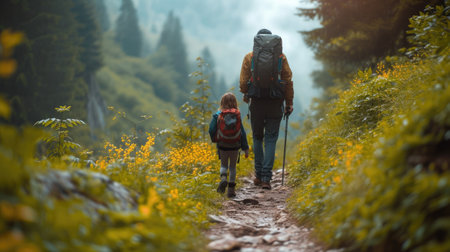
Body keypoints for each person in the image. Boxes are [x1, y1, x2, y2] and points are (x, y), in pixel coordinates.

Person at [239, 29, 294, 190]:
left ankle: (258, 174)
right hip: (275, 102)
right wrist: (289, 102)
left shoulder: (250, 57)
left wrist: (246, 94)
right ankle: (266, 178)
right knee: (270, 139)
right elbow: (288, 80)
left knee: (257, 137)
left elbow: (243, 82)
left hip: (256, 102)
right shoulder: (280, 57)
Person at [209, 92, 249, 198]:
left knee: (223, 165)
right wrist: (245, 148)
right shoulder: (237, 115)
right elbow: (242, 133)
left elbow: (211, 129)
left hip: (222, 144)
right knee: (232, 167)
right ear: (235, 103)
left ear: (222, 103)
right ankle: (231, 190)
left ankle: (223, 178)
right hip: (235, 145)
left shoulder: (218, 114)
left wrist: (215, 139)